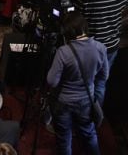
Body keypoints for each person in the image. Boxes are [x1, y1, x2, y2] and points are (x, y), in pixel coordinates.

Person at [46, 12, 108, 155]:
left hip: (63, 102)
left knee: (64, 138)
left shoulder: (63, 52)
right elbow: (104, 76)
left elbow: (52, 81)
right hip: (86, 100)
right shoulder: (100, 48)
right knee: (89, 134)